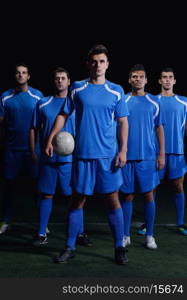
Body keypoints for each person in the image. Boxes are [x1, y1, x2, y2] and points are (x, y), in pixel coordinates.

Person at [45, 44, 129, 265]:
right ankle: (69, 247)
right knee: (77, 201)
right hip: (82, 156)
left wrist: (123, 150)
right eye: (94, 61)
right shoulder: (77, 88)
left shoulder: (116, 90)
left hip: (108, 157)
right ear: (88, 64)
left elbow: (123, 122)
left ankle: (119, 247)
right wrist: (51, 137)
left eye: (102, 61)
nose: (98, 65)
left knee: (112, 201)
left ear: (108, 64)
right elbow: (63, 114)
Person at [30, 67, 91, 246]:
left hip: (70, 161)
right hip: (48, 159)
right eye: (57, 78)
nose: (60, 81)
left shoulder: (77, 103)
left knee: (75, 197)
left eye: (63, 78)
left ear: (69, 81)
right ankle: (41, 234)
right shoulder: (42, 103)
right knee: (46, 195)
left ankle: (79, 233)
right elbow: (33, 128)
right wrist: (33, 150)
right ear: (53, 81)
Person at [120, 64, 165, 249]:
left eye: (141, 76)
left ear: (146, 80)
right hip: (127, 157)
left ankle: (150, 235)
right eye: (134, 76)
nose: (137, 79)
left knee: (148, 196)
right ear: (129, 79)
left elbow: (159, 128)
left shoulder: (154, 101)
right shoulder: (122, 100)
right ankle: (125, 235)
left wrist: (161, 154)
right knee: (127, 196)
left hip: (148, 157)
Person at [137, 67, 187, 236]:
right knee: (151, 189)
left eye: (170, 77)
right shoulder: (152, 100)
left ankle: (180, 223)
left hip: (177, 152)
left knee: (178, 186)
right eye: (164, 77)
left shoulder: (184, 102)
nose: (167, 80)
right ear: (159, 81)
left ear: (174, 81)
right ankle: (147, 223)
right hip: (155, 153)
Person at [0, 63, 43, 234]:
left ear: (28, 76)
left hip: (33, 151)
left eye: (24, 73)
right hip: (11, 151)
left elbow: (43, 123)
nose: (20, 75)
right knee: (9, 187)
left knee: (38, 188)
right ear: (14, 76)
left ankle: (42, 223)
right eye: (17, 73)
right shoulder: (5, 97)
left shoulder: (38, 96)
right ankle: (6, 220)